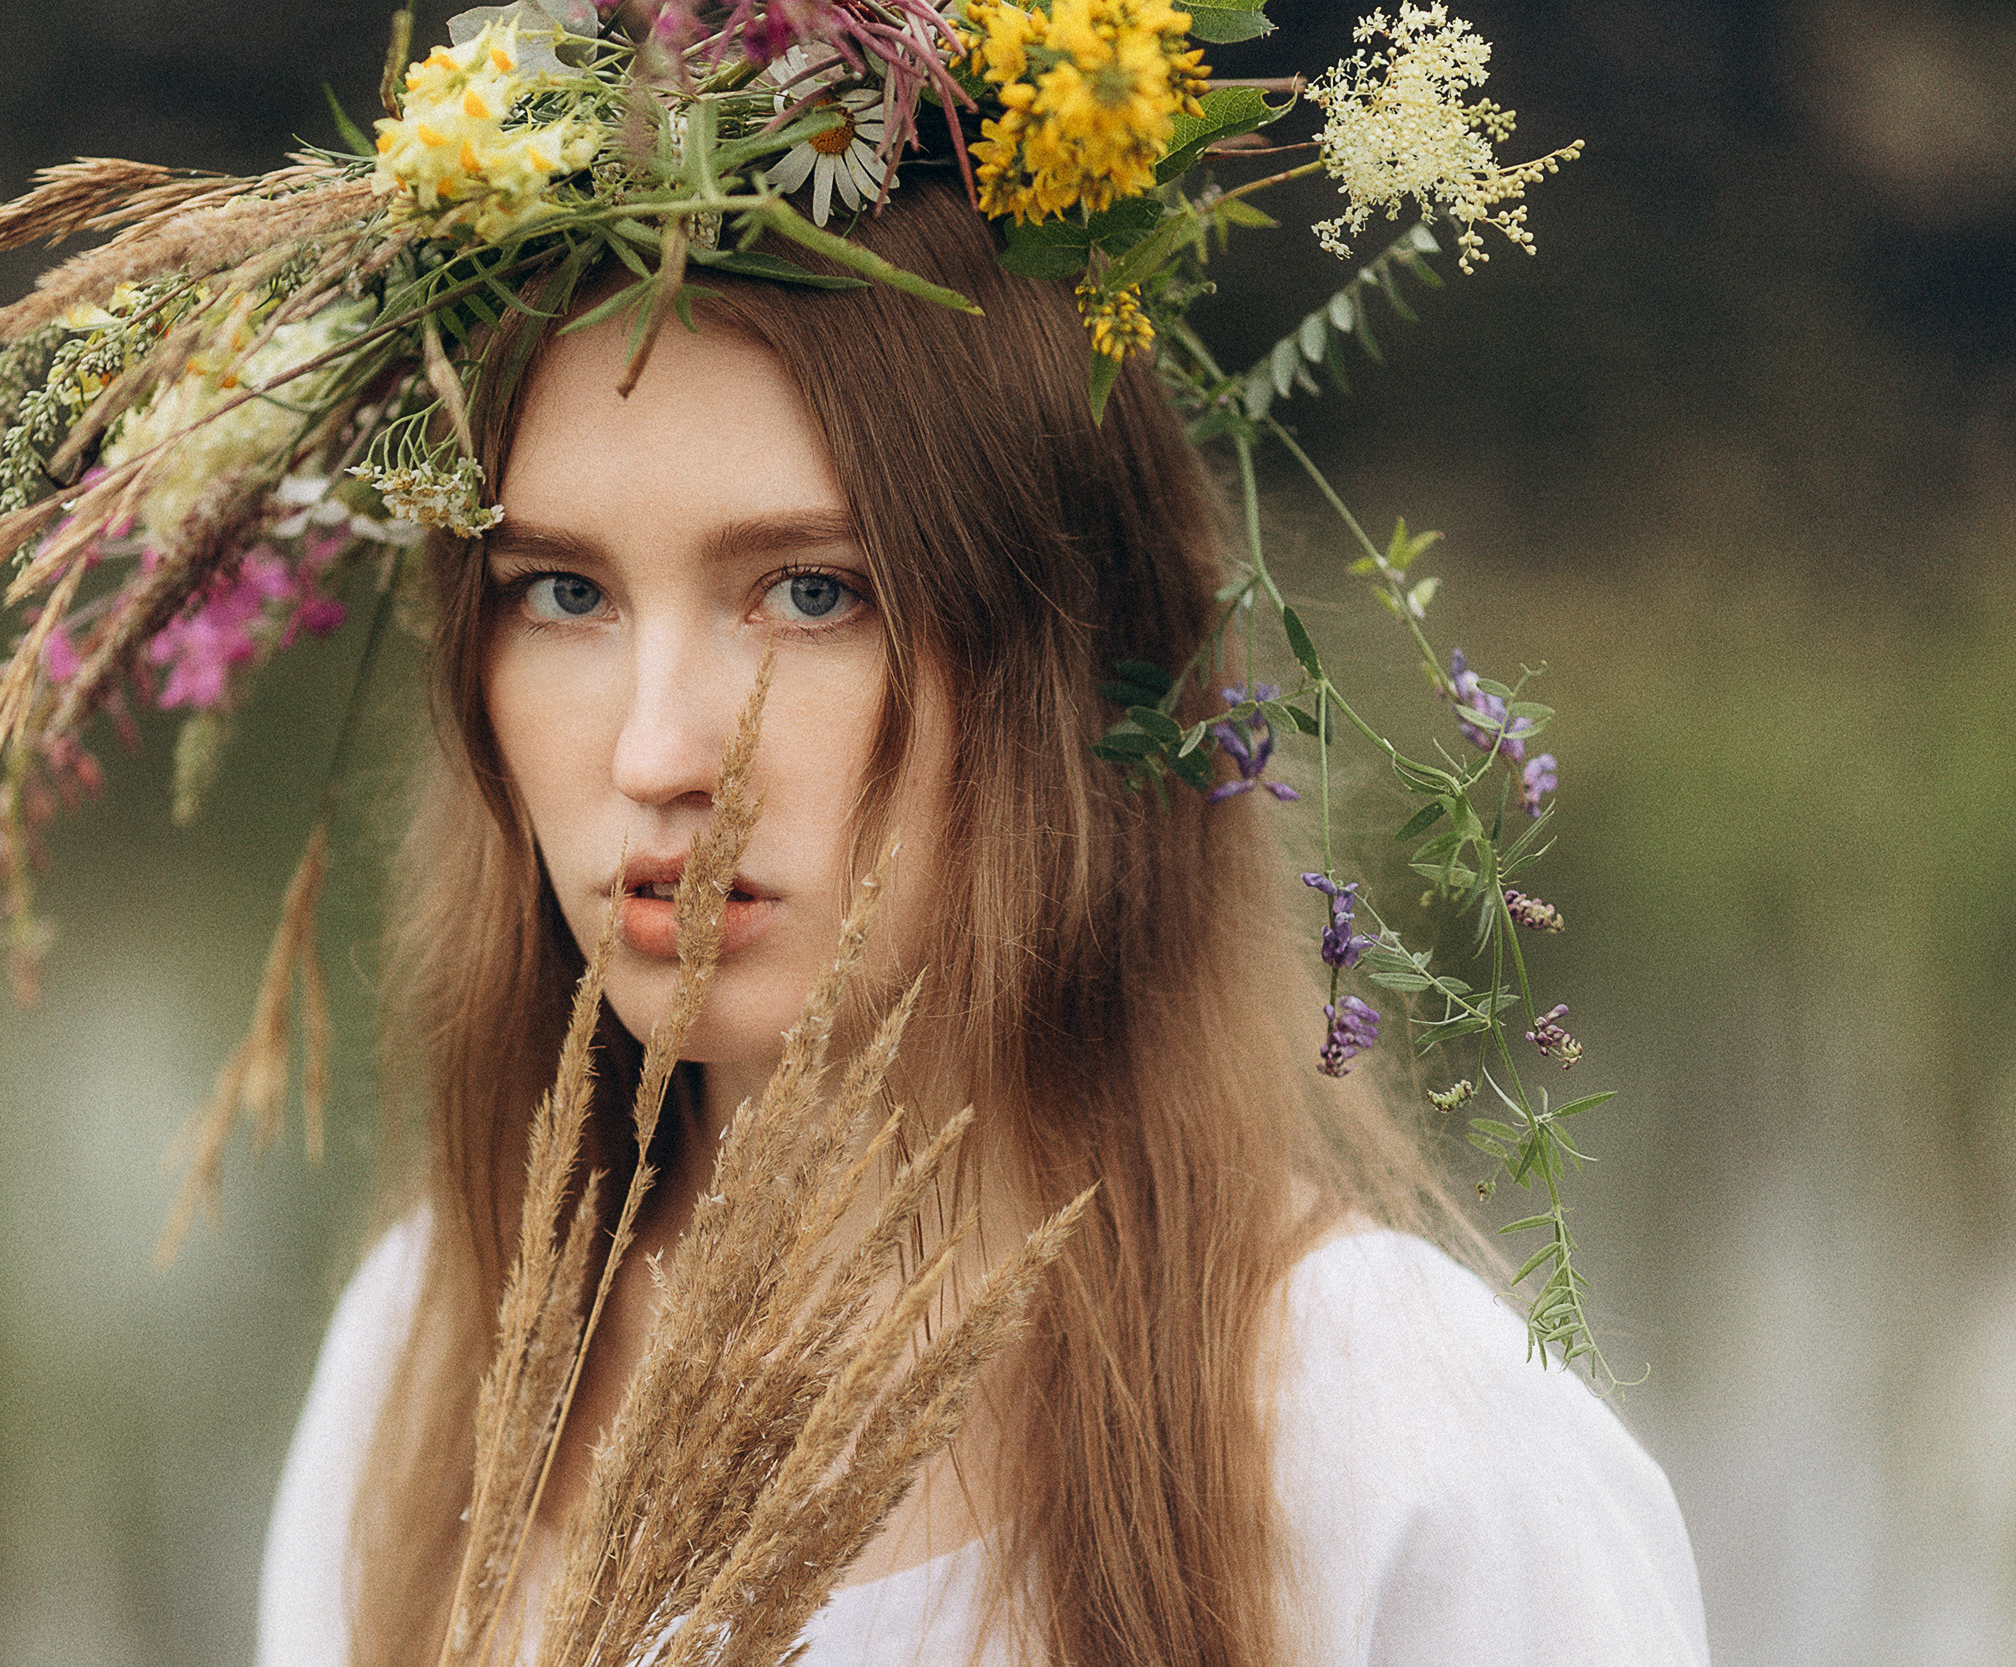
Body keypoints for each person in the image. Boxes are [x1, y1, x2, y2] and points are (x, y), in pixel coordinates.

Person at [252, 176, 1709, 1667]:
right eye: (563, 592)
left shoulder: (1398, 1451)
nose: (654, 755)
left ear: (1084, 661)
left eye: (811, 593)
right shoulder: (441, 1355)